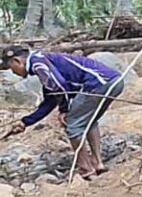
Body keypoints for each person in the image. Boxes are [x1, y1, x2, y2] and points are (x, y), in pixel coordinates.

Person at [3, 45, 126, 179]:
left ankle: (86, 170)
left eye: (10, 68)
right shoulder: (42, 60)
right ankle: (97, 163)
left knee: (72, 124)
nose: (13, 72)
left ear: (16, 61)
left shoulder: (38, 64)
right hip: (114, 81)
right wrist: (26, 122)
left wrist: (64, 109)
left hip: (98, 84)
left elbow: (60, 86)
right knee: (89, 121)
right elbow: (50, 99)